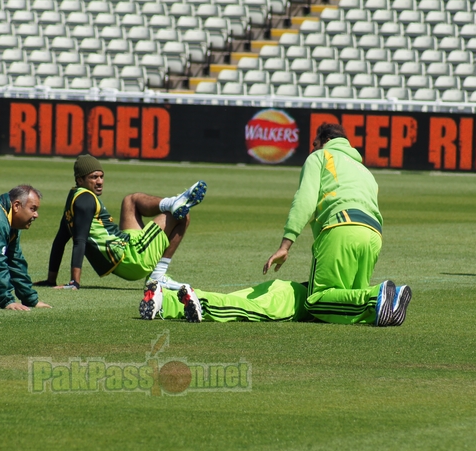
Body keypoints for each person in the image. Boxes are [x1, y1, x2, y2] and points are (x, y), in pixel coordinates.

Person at [262, 123, 411, 327]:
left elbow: (305, 200)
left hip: (341, 227)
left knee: (316, 301)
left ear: (327, 141)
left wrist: (285, 245)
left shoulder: (321, 157)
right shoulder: (364, 170)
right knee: (348, 299)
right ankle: (388, 303)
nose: (313, 148)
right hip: (374, 234)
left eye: (315, 144)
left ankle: (378, 295)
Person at [36, 155, 205, 291]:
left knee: (130, 201)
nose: (100, 181)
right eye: (93, 177)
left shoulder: (74, 198)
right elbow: (79, 241)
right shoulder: (86, 200)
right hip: (131, 257)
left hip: (125, 246)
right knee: (183, 215)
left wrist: (51, 280)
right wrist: (74, 282)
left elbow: (60, 240)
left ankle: (172, 202)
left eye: (101, 176)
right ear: (80, 180)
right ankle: (157, 276)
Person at [139, 279, 311, 323]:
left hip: (285, 285)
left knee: (233, 300)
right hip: (295, 298)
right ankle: (203, 304)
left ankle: (164, 299)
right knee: (246, 309)